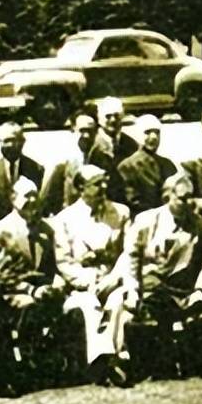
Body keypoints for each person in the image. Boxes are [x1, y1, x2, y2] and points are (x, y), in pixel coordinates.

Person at [119, 173, 202, 380]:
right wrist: (132, 289)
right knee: (145, 315)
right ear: (168, 197)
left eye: (191, 196)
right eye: (183, 198)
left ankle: (192, 362)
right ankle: (155, 366)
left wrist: (200, 289)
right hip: (153, 285)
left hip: (185, 288)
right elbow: (131, 259)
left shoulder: (200, 225)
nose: (189, 202)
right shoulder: (146, 221)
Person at [0, 177, 69, 391]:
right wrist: (31, 290)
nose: (32, 200)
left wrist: (57, 282)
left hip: (45, 289)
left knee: (72, 307)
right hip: (13, 291)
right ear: (13, 198)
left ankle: (61, 366)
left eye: (34, 195)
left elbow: (55, 265)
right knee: (30, 308)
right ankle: (28, 366)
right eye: (26, 196)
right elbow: (3, 274)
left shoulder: (46, 229)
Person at [51, 165, 133, 385]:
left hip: (114, 280)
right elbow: (64, 262)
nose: (104, 187)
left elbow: (128, 253)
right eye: (97, 183)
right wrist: (90, 282)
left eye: (105, 181)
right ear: (81, 188)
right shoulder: (64, 219)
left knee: (117, 300)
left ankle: (110, 361)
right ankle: (105, 360)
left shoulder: (121, 213)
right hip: (81, 286)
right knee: (90, 305)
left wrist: (112, 278)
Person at [0, 122, 46, 219]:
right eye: (4, 141)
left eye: (12, 140)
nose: (9, 145)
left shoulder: (36, 169)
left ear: (22, 142)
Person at [118, 114, 179, 214]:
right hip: (144, 217)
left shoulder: (168, 164)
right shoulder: (127, 167)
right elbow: (133, 200)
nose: (154, 137)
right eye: (147, 132)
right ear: (138, 135)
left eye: (157, 132)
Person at [90, 98, 140, 204]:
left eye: (116, 116)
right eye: (108, 116)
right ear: (99, 119)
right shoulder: (91, 144)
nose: (113, 120)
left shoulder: (132, 145)